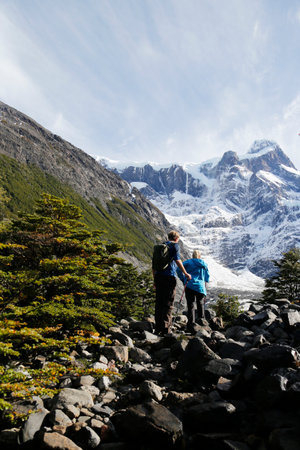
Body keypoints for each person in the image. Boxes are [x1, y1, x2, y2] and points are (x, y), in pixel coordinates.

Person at [152, 230, 191, 335]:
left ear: (168, 237)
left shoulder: (161, 247)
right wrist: (186, 273)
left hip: (158, 277)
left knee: (159, 302)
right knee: (168, 303)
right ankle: (165, 329)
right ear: (177, 238)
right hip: (169, 277)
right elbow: (178, 260)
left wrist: (154, 280)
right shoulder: (175, 246)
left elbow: (154, 265)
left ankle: (157, 328)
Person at [177, 249, 210, 333]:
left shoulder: (188, 262)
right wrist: (205, 280)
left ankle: (191, 324)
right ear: (199, 256)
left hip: (190, 285)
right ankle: (202, 323)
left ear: (192, 255)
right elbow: (207, 276)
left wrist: (183, 278)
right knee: (200, 303)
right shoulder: (204, 264)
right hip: (200, 287)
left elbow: (178, 269)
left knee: (191, 304)